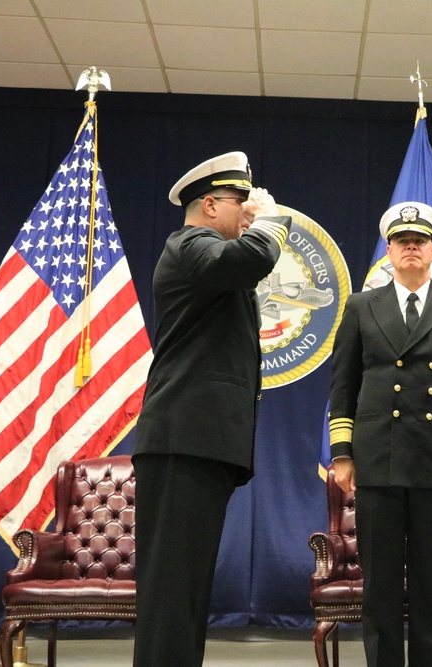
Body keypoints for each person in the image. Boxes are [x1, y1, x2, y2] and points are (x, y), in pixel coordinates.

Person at [131, 151, 291, 667]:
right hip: (183, 438)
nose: (247, 212)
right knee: (171, 588)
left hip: (200, 442)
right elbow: (248, 260)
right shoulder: (190, 245)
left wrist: (255, 224)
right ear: (209, 204)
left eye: (250, 205)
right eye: (239, 203)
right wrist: (270, 224)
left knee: (189, 589)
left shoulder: (206, 255)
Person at [328, 202, 432, 667]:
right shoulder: (361, 307)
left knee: (430, 582)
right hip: (378, 459)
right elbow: (344, 385)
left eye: (420, 241)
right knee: (378, 584)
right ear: (390, 252)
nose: (411, 247)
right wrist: (342, 454)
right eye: (402, 241)